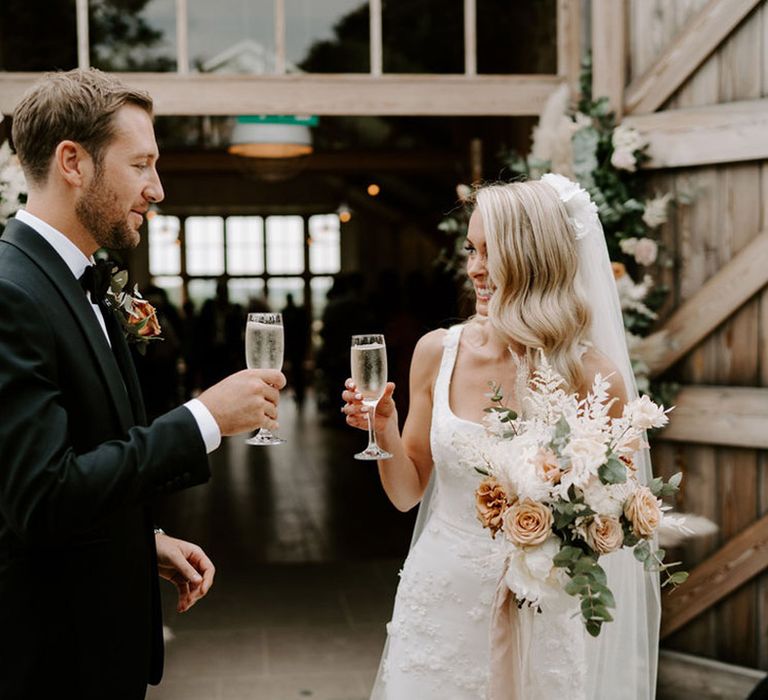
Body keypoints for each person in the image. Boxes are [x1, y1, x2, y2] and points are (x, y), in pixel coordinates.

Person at [0, 68, 286, 699]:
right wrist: (204, 420)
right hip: (51, 667)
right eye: (142, 164)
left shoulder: (81, 282)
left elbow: (84, 452)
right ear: (72, 161)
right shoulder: (10, 292)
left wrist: (138, 542)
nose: (157, 188)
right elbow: (40, 498)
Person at [342, 176, 660, 698]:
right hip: (438, 601)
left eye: (494, 252)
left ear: (535, 259)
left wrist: (557, 543)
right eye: (472, 249)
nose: (475, 269)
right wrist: (385, 429)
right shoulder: (435, 353)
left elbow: (610, 523)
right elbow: (405, 494)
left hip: (540, 614)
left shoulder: (594, 379)